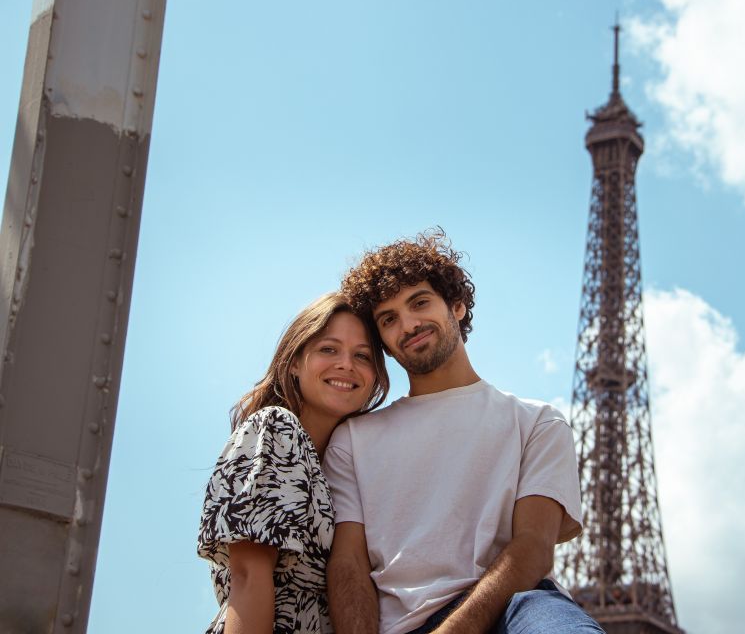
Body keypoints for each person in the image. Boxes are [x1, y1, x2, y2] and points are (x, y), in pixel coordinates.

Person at [325, 231, 603, 634]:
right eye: (389, 320)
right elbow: (348, 562)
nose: (409, 324)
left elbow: (533, 548)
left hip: (515, 609)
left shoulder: (537, 423)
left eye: (419, 303)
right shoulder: (353, 440)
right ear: (383, 341)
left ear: (456, 306)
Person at [198, 293, 389, 634]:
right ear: (296, 362)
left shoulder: (346, 469)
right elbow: (248, 577)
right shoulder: (277, 428)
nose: (346, 364)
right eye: (328, 349)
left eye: (362, 356)